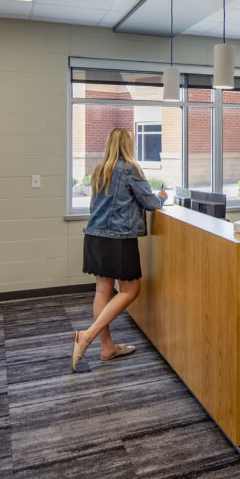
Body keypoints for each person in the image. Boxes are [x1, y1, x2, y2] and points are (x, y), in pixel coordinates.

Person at [72, 128, 168, 372]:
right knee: (131, 290)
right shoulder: (129, 169)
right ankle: (88, 335)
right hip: (118, 238)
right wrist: (162, 197)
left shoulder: (99, 169)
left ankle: (107, 347)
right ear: (128, 145)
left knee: (103, 290)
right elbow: (150, 203)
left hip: (94, 235)